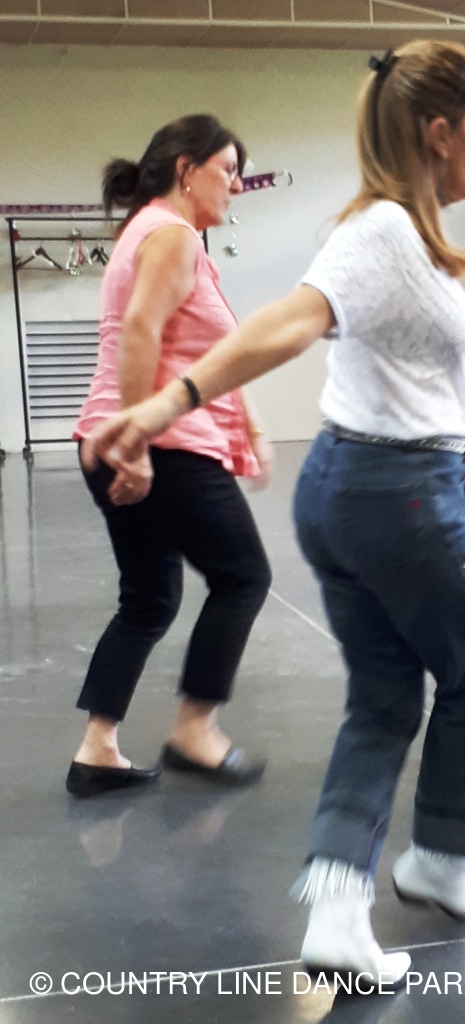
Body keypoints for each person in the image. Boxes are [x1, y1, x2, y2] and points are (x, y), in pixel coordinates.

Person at [82, 41, 465, 985]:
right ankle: (441, 856)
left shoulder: (417, 243)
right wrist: (166, 406)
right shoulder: (379, 230)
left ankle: (338, 913)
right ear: (438, 131)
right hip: (399, 489)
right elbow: (291, 320)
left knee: (384, 700)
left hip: (356, 489)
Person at [68, 115, 273, 800]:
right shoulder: (172, 235)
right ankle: (195, 730)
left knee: (148, 599)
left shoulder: (153, 232)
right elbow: (140, 332)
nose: (236, 185)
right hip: (161, 444)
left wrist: (250, 424)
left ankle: (98, 749)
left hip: (114, 439)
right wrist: (137, 446)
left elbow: (212, 354)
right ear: (187, 169)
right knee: (243, 576)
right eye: (228, 170)